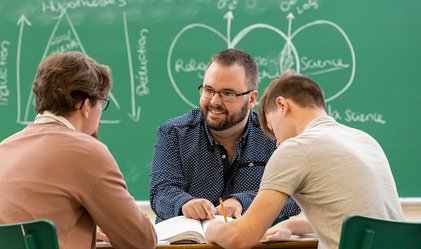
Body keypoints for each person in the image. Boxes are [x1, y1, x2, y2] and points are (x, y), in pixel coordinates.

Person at [205, 71, 404, 249]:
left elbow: (241, 238)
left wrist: (212, 228)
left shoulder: (296, 149)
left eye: (273, 130)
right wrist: (291, 225)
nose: (277, 143)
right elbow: (361, 219)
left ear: (282, 105)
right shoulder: (365, 140)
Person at [0, 51, 157, 249]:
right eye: (102, 103)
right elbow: (142, 240)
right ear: (85, 105)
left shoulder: (4, 149)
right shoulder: (88, 153)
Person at [150, 48, 301, 223]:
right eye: (208, 90)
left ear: (252, 99)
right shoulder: (174, 132)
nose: (214, 101)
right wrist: (184, 202)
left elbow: (295, 197)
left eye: (227, 94)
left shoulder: (273, 136)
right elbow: (160, 192)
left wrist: (242, 202)